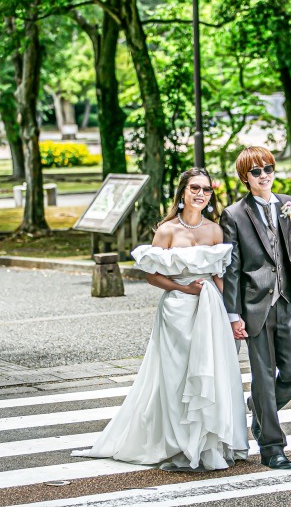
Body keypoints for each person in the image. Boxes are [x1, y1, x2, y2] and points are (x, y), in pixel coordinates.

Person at [72, 168, 248, 471]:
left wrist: (231, 316)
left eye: (206, 190)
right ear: (182, 193)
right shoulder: (167, 231)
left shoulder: (215, 231)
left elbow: (221, 279)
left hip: (210, 310)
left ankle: (208, 443)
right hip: (177, 309)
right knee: (176, 376)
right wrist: (182, 288)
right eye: (195, 188)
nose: (201, 194)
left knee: (211, 371)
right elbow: (152, 275)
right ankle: (175, 442)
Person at [220, 146, 291, 470]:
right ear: (245, 178)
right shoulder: (234, 214)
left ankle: (261, 410)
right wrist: (233, 314)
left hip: (288, 301)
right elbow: (232, 269)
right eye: (256, 172)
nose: (264, 175)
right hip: (255, 305)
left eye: (268, 169)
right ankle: (272, 447)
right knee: (263, 376)